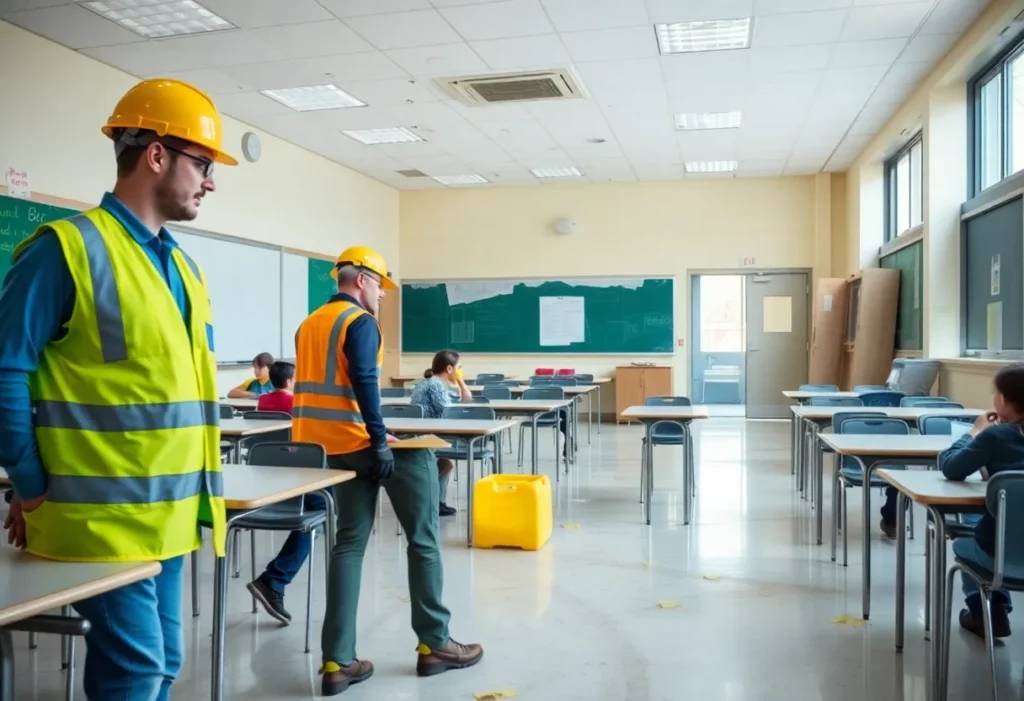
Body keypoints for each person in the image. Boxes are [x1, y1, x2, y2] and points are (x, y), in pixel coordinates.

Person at [0, 78, 231, 700]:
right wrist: (30, 484)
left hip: (171, 514)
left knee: (161, 664)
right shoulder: (64, 250)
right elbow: (6, 370)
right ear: (156, 155)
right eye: (203, 165)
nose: (211, 182)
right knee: (135, 669)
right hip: (102, 517)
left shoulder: (183, 266)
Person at [292, 246, 483, 696]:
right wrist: (380, 440)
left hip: (325, 448)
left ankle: (338, 661)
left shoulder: (309, 323)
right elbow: (363, 384)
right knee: (424, 539)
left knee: (349, 546)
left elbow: (333, 391)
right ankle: (434, 644)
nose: (382, 295)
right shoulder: (360, 323)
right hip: (363, 445)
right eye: (380, 285)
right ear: (361, 280)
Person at [940, 363, 1024, 639]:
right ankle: (996, 607)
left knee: (968, 543)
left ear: (1001, 399)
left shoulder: (995, 435)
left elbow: (951, 467)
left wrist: (974, 433)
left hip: (1000, 552)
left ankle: (985, 612)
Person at [247, 358, 317, 624]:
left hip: (261, 481)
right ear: (290, 382)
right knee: (324, 506)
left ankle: (273, 580)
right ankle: (274, 580)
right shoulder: (296, 404)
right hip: (292, 480)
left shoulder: (263, 402)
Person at [410, 350, 473, 516]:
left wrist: (460, 381)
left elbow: (466, 402)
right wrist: (460, 380)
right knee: (445, 463)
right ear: (449, 368)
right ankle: (435, 503)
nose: (461, 370)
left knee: (446, 463)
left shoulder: (432, 382)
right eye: (459, 367)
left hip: (426, 434)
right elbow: (450, 412)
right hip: (427, 437)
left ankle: (437, 503)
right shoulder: (436, 385)